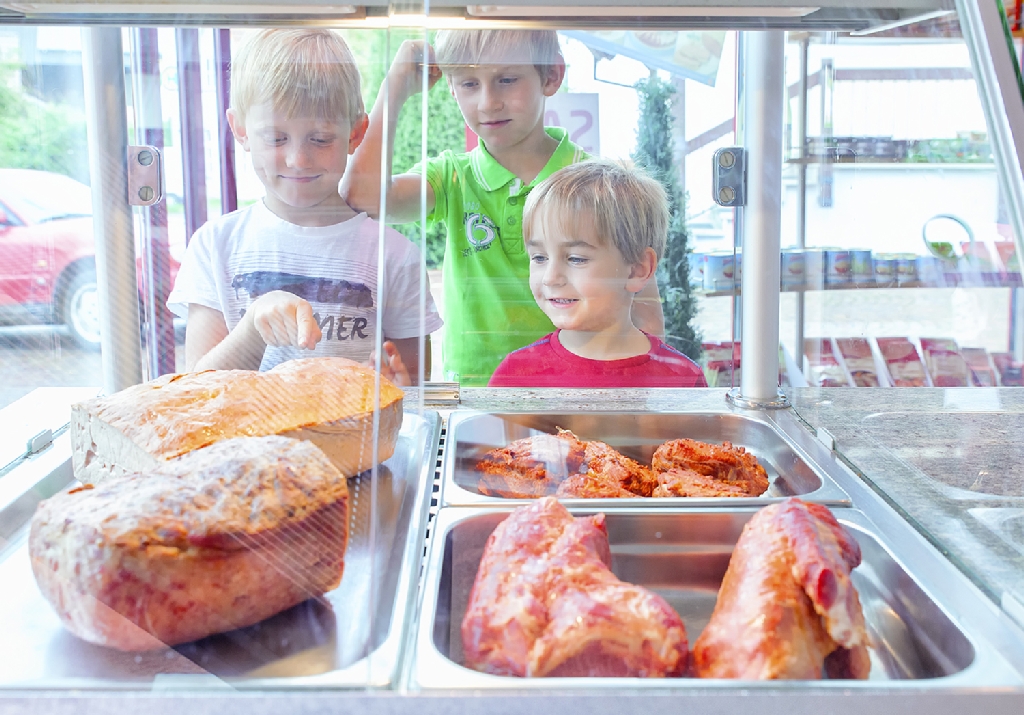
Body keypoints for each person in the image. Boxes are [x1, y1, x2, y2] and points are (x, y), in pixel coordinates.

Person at [341, 30, 664, 386]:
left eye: (507, 79)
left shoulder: (597, 187)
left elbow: (645, 311)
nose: (487, 102)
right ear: (450, 88)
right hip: (475, 395)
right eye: (468, 84)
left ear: (552, 75)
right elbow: (361, 196)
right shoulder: (452, 178)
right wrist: (396, 85)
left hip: (583, 395)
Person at [168, 29, 442, 384]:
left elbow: (414, 388)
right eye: (276, 138)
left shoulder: (395, 256)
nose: (299, 160)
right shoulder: (214, 245)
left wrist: (396, 383)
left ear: (355, 134)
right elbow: (198, 391)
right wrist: (253, 326)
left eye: (320, 139)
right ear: (240, 130)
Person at [488, 160, 707, 388]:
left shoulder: (682, 379)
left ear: (637, 269)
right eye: (539, 257)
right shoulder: (516, 375)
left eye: (576, 258)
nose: (550, 278)